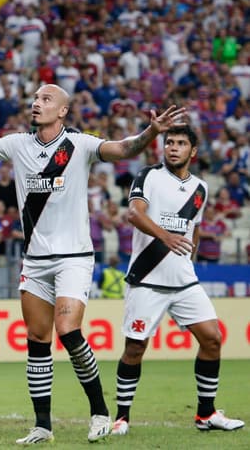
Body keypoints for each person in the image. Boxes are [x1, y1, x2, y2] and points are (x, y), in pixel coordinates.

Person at [0, 84, 187, 444]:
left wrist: (151, 133)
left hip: (73, 257)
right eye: (34, 98)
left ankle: (99, 411)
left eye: (46, 99)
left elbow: (122, 148)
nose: (36, 103)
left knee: (68, 330)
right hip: (34, 260)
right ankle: (42, 426)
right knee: (37, 339)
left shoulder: (80, 145)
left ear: (63, 111)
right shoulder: (18, 144)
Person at [111, 125, 244, 436]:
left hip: (183, 280)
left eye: (181, 143)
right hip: (146, 279)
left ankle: (206, 414)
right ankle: (121, 417)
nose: (173, 147)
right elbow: (134, 214)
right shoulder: (148, 176)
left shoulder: (200, 188)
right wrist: (166, 237)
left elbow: (193, 226)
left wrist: (188, 256)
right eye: (169, 142)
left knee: (212, 338)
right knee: (135, 348)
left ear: (192, 151)